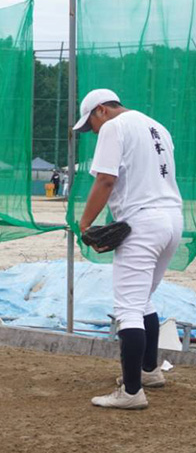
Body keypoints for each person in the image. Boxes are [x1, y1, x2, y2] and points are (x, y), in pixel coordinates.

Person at [74, 89, 183, 410]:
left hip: (142, 223)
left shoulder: (113, 126)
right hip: (172, 221)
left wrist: (85, 223)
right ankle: (149, 372)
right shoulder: (158, 126)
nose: (92, 131)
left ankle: (131, 392)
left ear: (101, 110)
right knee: (142, 300)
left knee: (128, 309)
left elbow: (106, 180)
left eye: (90, 124)